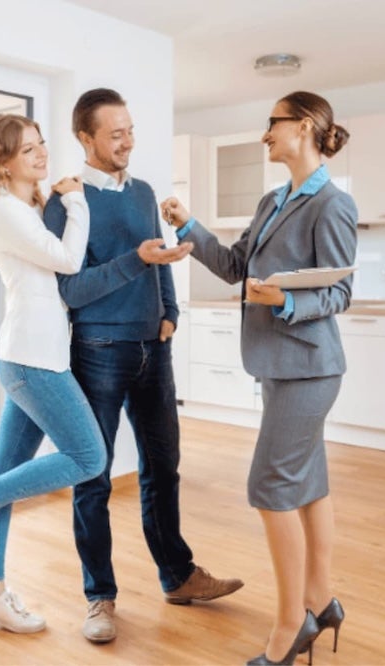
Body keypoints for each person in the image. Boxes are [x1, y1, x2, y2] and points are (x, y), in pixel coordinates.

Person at [42, 88, 244, 644]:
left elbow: (159, 258)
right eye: (115, 133)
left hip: (154, 349)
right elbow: (72, 291)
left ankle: (178, 576)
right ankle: (99, 597)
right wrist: (137, 261)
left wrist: (171, 313)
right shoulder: (67, 202)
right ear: (86, 139)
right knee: (94, 475)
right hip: (98, 350)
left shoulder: (145, 192)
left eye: (130, 130)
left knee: (164, 467)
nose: (127, 141)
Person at [161, 91, 356, 666]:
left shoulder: (331, 204)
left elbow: (341, 291)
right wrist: (188, 225)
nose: (264, 134)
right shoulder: (274, 199)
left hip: (310, 367)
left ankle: (291, 622)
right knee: (307, 484)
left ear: (302, 127)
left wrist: (286, 303)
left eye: (272, 124)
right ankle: (322, 600)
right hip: (280, 367)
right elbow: (235, 266)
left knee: (270, 489)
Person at [0, 113, 106, 635]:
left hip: (33, 356)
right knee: (89, 456)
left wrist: (57, 200)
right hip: (33, 361)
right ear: (3, 161)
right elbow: (67, 260)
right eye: (27, 149)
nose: (40, 154)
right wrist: (77, 200)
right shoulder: (8, 210)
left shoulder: (26, 205)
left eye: (41, 145)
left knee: (5, 474)